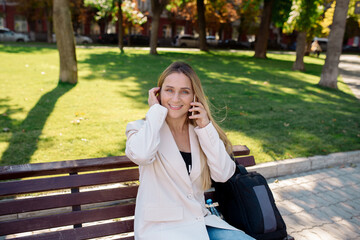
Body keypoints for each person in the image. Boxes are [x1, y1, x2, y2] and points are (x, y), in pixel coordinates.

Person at [125, 61, 255, 240]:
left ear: (194, 97)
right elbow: (141, 155)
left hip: (201, 223)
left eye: (184, 92)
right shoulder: (142, 129)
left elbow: (223, 174)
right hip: (161, 230)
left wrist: (205, 126)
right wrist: (155, 112)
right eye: (169, 90)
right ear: (158, 94)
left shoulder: (199, 132)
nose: (176, 98)